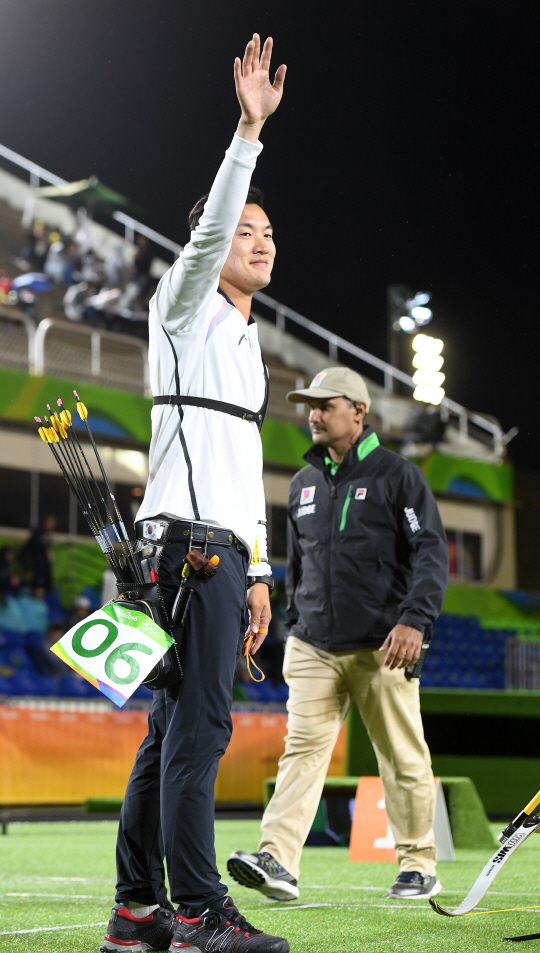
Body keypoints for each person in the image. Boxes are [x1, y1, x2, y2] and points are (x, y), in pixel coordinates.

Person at [100, 34, 289, 953]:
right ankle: (198, 910)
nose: (259, 242)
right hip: (183, 547)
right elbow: (212, 225)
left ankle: (138, 908)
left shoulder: (248, 346)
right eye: (242, 232)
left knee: (170, 726)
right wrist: (248, 130)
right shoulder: (182, 302)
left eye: (267, 233)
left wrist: (258, 570)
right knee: (199, 728)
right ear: (209, 245)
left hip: (220, 549)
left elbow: (240, 463)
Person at [228, 366, 450, 902]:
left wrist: (415, 619)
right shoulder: (302, 484)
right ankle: (277, 860)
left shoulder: (399, 476)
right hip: (313, 645)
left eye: (326, 405)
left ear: (359, 411)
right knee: (301, 750)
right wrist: (291, 625)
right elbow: (298, 564)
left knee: (400, 754)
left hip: (383, 645)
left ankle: (418, 863)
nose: (314, 414)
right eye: (311, 405)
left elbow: (431, 552)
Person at [20, 515, 57, 592]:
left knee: (45, 591)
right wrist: (28, 567)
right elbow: (24, 551)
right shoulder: (38, 535)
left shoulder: (48, 535)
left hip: (45, 570)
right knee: (38, 592)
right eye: (51, 523)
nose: (53, 526)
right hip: (38, 571)